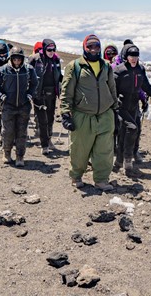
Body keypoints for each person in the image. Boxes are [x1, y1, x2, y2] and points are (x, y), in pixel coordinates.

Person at [60, 34, 118, 191]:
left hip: (105, 114)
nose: (93, 49)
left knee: (104, 150)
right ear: (84, 47)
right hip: (83, 115)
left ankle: (101, 180)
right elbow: (66, 92)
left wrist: (115, 110)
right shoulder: (75, 66)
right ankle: (76, 176)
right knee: (80, 148)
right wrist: (65, 113)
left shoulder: (106, 66)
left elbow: (112, 89)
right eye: (90, 46)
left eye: (96, 46)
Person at [113, 43, 151, 176]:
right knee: (131, 129)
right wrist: (116, 100)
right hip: (121, 107)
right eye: (131, 55)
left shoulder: (140, 70)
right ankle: (128, 164)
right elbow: (111, 88)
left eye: (136, 56)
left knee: (127, 135)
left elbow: (146, 86)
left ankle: (119, 162)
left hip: (134, 107)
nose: (133, 58)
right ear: (126, 56)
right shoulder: (118, 70)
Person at [0, 47, 37, 167]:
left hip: (24, 106)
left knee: (21, 132)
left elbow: (34, 83)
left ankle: (20, 156)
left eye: (19, 59)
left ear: (22, 59)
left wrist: (30, 94)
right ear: (10, 59)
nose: (17, 62)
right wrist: (1, 96)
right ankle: (6, 153)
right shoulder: (4, 70)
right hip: (8, 106)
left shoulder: (28, 69)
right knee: (8, 132)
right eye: (15, 59)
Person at [28, 38, 63, 155]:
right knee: (42, 120)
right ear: (44, 48)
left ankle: (48, 139)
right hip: (39, 94)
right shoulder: (35, 59)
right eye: (49, 49)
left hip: (52, 93)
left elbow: (59, 76)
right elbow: (27, 73)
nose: (51, 51)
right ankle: (44, 145)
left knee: (51, 118)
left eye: (53, 49)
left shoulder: (56, 59)